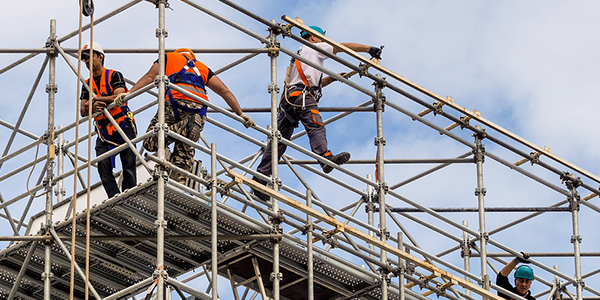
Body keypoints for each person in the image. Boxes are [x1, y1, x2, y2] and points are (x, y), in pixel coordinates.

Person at [252, 25, 383, 200]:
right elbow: (340, 47)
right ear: (313, 38)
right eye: (321, 38)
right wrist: (368, 49)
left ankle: (260, 179)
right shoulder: (315, 47)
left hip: (290, 100)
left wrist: (333, 78)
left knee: (278, 142)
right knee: (316, 125)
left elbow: (312, 82)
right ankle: (325, 158)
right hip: (302, 97)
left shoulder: (300, 54)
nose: (323, 42)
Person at [120, 48, 255, 184]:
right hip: (198, 111)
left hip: (174, 104)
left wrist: (129, 94)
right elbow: (224, 91)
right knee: (185, 150)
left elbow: (149, 77)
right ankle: (178, 182)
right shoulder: (202, 68)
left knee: (149, 142)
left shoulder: (168, 58)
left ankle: (187, 126)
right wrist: (241, 113)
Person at [80, 41, 137, 198]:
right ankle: (114, 197)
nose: (86, 61)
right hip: (104, 129)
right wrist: (92, 106)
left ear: (100, 56)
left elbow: (120, 96)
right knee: (103, 165)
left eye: (89, 57)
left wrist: (100, 99)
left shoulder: (114, 75)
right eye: (84, 59)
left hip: (122, 123)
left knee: (128, 162)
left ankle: (129, 195)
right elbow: (83, 111)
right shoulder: (86, 84)